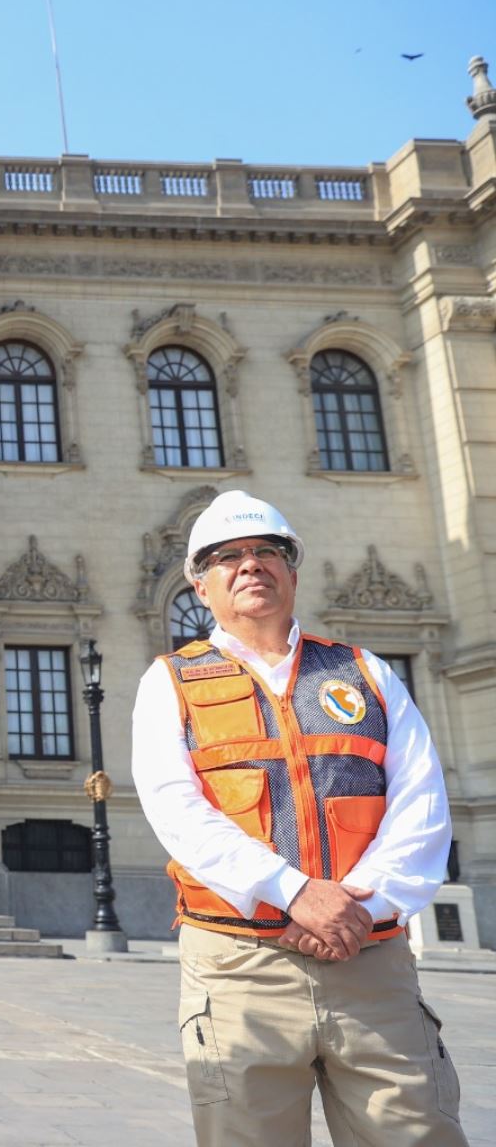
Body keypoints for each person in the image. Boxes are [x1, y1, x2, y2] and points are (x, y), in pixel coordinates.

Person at [132, 490, 464, 1146]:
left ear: (293, 570)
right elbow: (178, 812)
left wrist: (357, 910)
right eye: (228, 556)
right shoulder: (171, 681)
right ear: (200, 585)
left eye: (267, 552)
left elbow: (421, 800)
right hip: (240, 966)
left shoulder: (364, 671)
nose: (251, 564)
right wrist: (295, 892)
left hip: (370, 960)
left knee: (417, 1132)